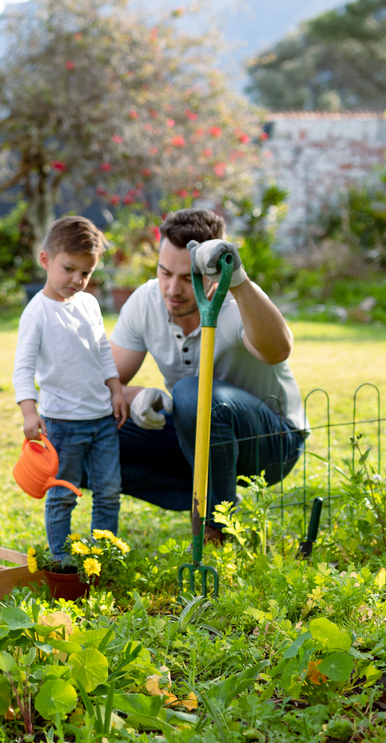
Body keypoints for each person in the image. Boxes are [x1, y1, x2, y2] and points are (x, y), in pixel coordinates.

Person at [110, 208, 307, 537]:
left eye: (189, 278)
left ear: (214, 272)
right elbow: (105, 385)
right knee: (82, 437)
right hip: (198, 434)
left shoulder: (237, 302)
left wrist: (239, 281)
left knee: (191, 392)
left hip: (271, 442)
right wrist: (137, 395)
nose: (172, 289)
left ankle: (216, 527)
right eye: (164, 272)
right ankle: (222, 497)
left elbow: (278, 351)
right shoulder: (145, 302)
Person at [13, 216, 128, 562]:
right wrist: (29, 411)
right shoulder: (37, 313)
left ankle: (102, 555)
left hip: (103, 420)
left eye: (86, 273)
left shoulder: (89, 304)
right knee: (63, 494)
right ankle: (63, 560)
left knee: (109, 492)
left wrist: (116, 389)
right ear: (46, 260)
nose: (78, 280)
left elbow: (103, 351)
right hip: (62, 424)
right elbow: (23, 368)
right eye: (69, 269)